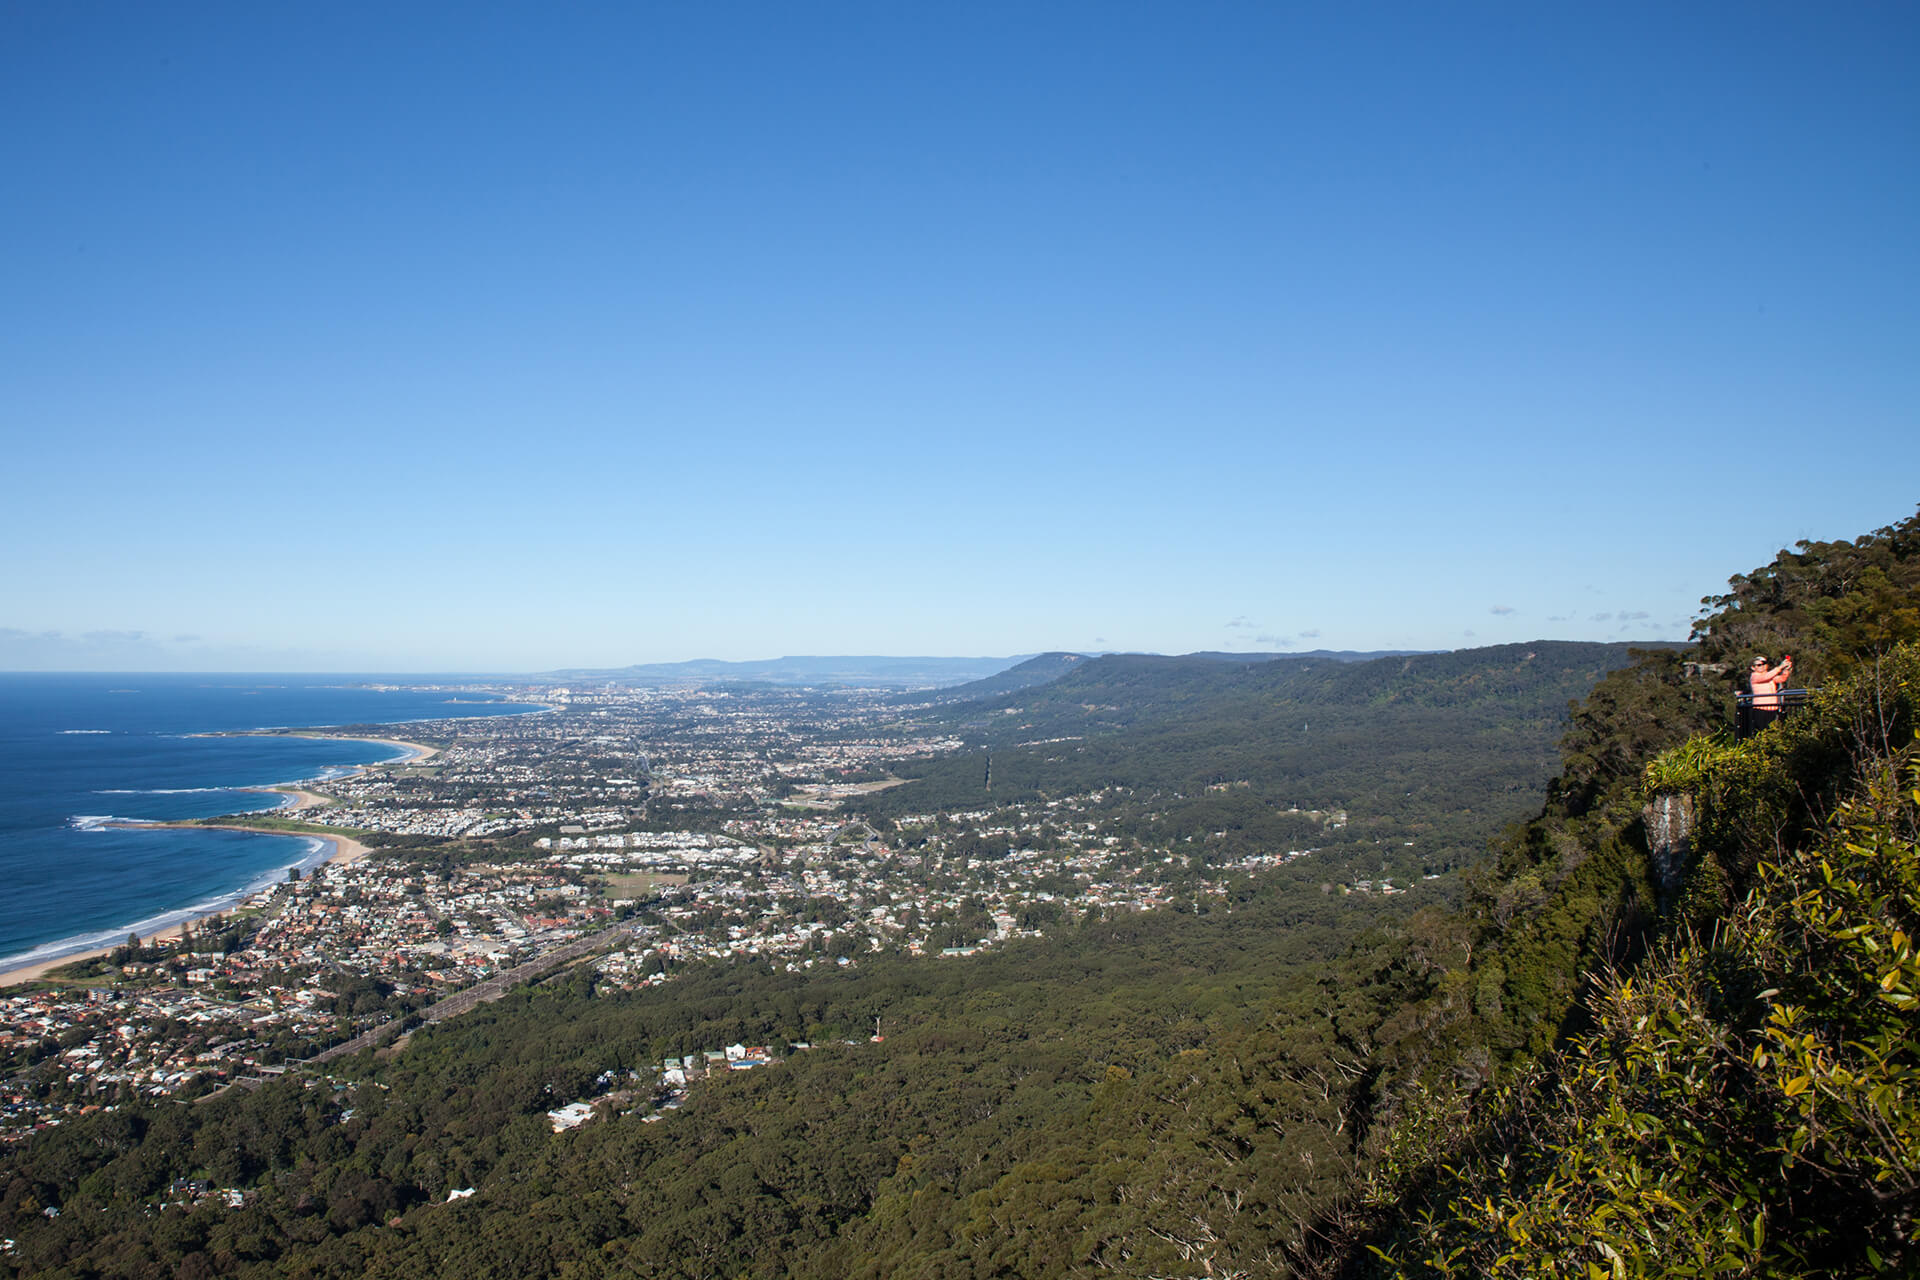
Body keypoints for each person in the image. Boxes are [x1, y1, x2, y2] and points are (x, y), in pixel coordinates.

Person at [1747, 653, 1793, 732]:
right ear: (1753, 668)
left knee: (1771, 731)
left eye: (1764, 664)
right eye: (1759, 665)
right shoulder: (1754, 676)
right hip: (1760, 709)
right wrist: (1780, 667)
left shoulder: (1769, 676)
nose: (1762, 666)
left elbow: (1781, 679)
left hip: (1772, 708)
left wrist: (1786, 670)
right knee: (1762, 732)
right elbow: (1766, 677)